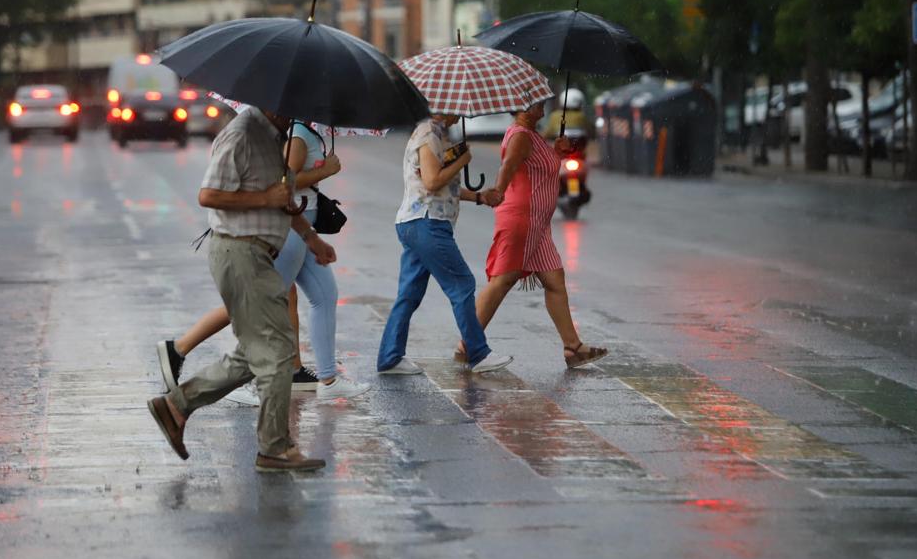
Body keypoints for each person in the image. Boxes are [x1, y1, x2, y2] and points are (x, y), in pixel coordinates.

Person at [147, 106, 335, 471]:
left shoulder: (275, 136)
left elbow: (282, 198)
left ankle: (175, 406)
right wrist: (265, 199)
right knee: (278, 350)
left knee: (255, 353)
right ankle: (274, 448)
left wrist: (312, 239)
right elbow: (210, 194)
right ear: (271, 100)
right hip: (240, 251)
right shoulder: (243, 133)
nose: (297, 109)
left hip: (258, 252)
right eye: (291, 101)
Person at [156, 121, 367, 404]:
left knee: (324, 295)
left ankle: (329, 379)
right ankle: (188, 353)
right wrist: (324, 171)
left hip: (303, 228)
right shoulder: (298, 135)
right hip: (289, 231)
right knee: (256, 303)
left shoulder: (306, 132)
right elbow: (284, 181)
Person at [455, 101, 609, 369]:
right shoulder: (521, 136)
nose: (543, 109)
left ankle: (573, 347)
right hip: (522, 220)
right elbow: (509, 166)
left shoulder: (532, 135)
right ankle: (467, 344)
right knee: (503, 280)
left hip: (538, 224)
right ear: (523, 108)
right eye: (538, 105)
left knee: (554, 279)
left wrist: (556, 152)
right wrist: (497, 192)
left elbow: (538, 171)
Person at [376, 113, 514, 375]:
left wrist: (480, 197)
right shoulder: (428, 134)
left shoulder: (437, 135)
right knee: (462, 284)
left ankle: (390, 357)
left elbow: (443, 185)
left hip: (416, 222)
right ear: (441, 107)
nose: (460, 113)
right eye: (456, 109)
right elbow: (431, 182)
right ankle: (478, 353)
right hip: (427, 222)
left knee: (409, 293)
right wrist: (462, 160)